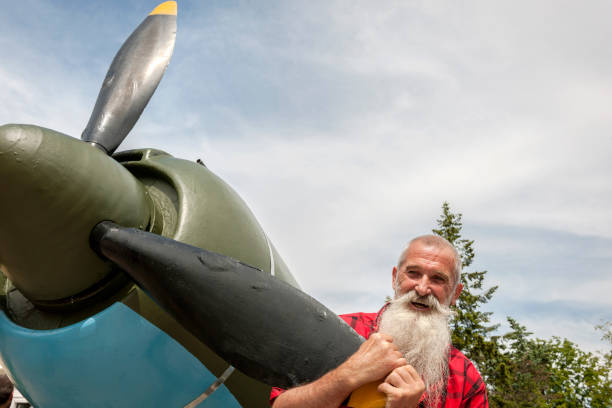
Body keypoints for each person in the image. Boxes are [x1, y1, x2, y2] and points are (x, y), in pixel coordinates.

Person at [270, 235, 488, 408]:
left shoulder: (466, 378)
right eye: (413, 273)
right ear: (395, 278)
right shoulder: (337, 329)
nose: (422, 288)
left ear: (455, 293)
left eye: (438, 279)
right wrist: (347, 375)